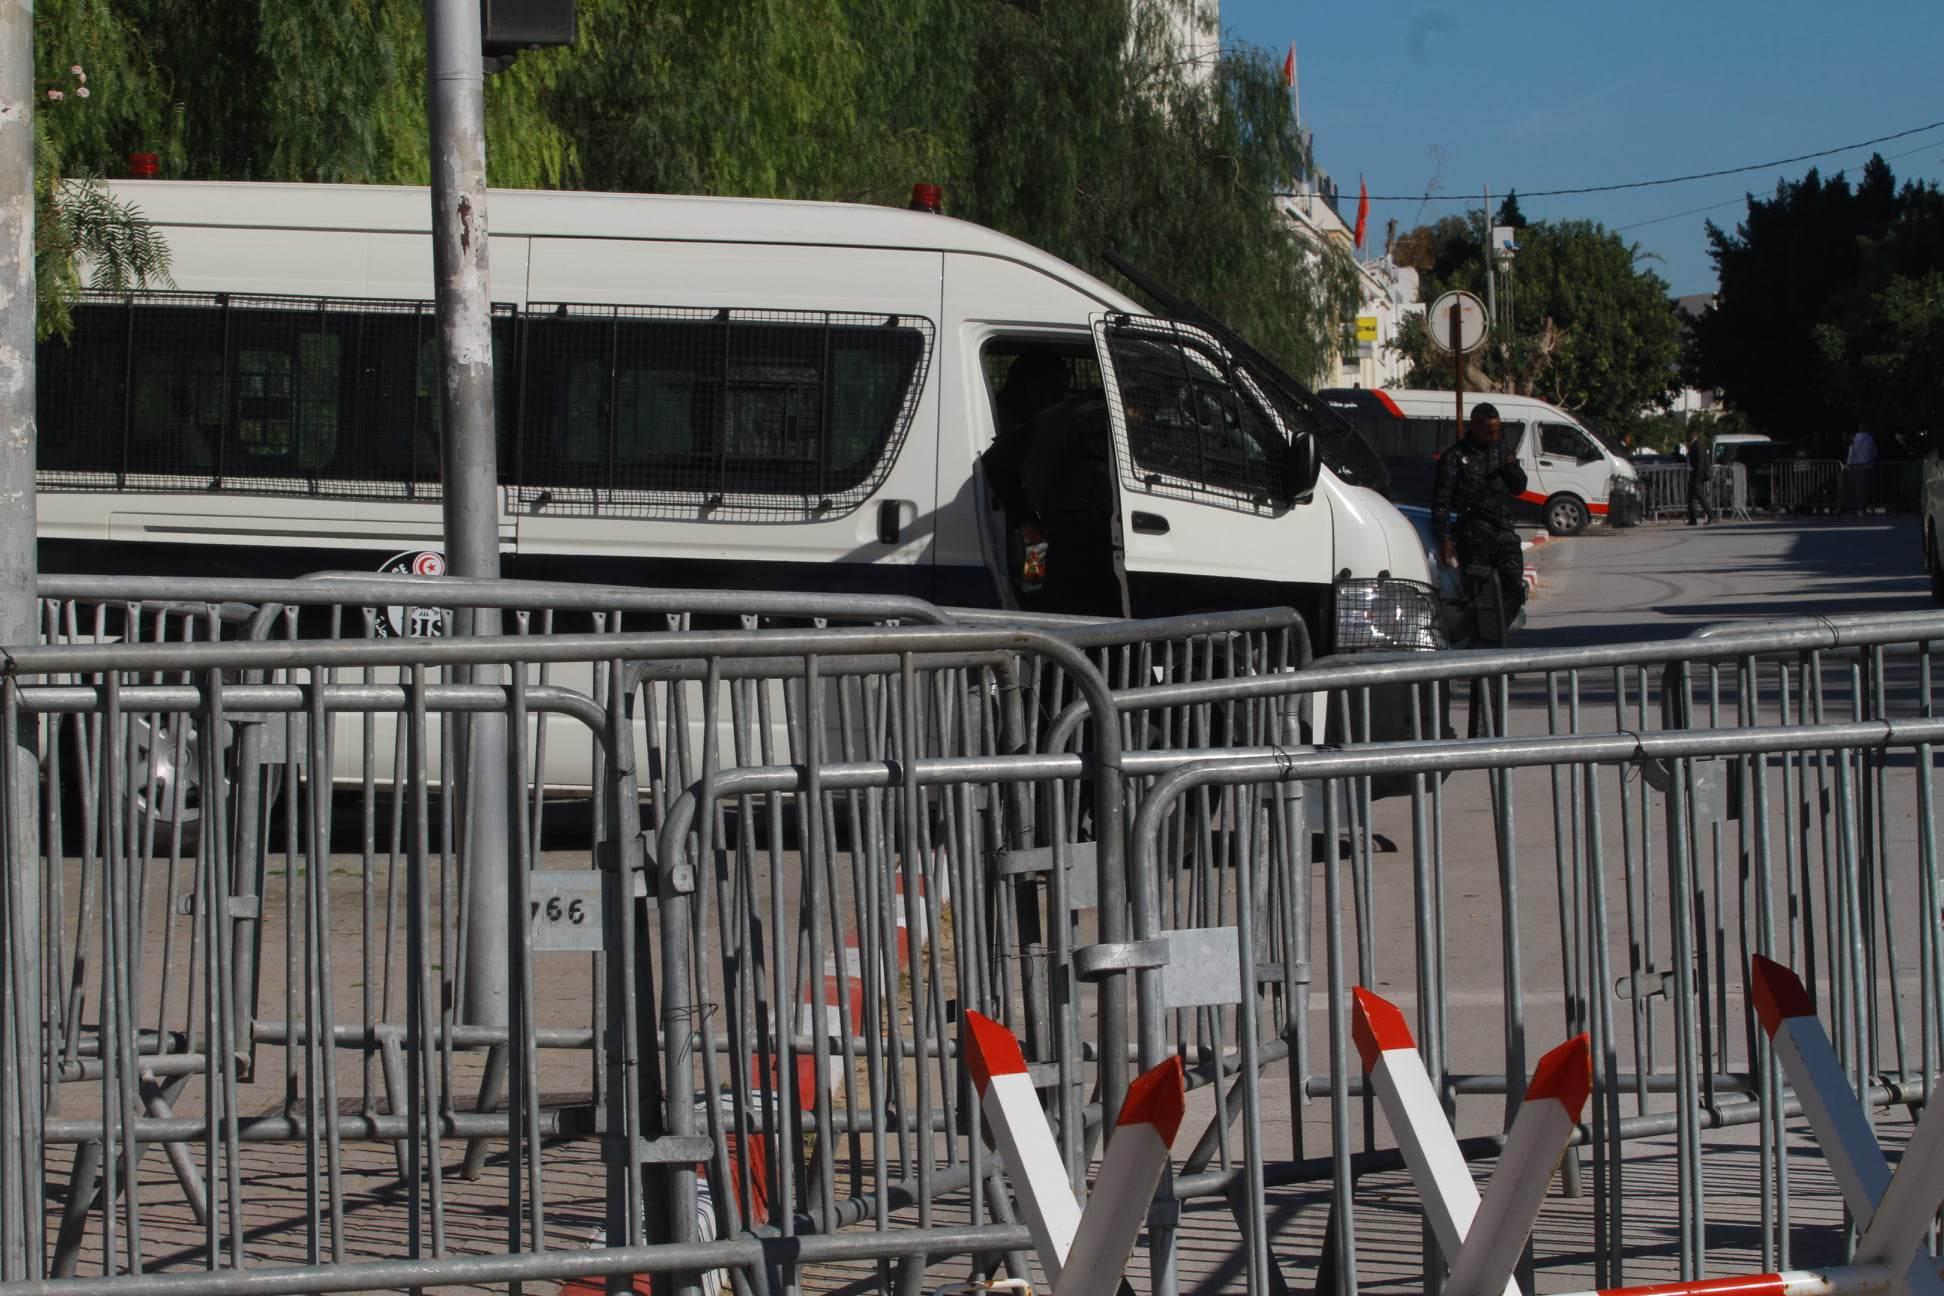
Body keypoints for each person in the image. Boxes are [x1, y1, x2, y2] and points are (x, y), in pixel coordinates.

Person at [979, 350, 1070, 601]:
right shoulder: (1007, 425)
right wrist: (1027, 519)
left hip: (1022, 524)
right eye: (1055, 393)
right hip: (1013, 526)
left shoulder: (1021, 420)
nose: (1057, 402)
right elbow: (1000, 469)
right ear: (1032, 388)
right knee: (1032, 583)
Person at [1432, 402, 1527, 618]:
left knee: (1514, 590)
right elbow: (1440, 502)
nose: (1493, 437)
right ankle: (1481, 642)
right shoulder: (1455, 457)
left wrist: (1510, 467)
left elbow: (1519, 487)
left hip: (1503, 532)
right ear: (1473, 427)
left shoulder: (1502, 451)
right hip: (1474, 535)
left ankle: (1497, 634)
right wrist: (1445, 539)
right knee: (1480, 596)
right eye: (1488, 432)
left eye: (1496, 431)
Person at [1685, 429, 1713, 526]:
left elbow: (1700, 462)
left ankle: (1710, 514)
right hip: (1693, 474)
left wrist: (1697, 476)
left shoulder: (1698, 445)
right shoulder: (1693, 445)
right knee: (1690, 497)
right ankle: (1692, 519)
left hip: (1697, 475)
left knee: (1700, 496)